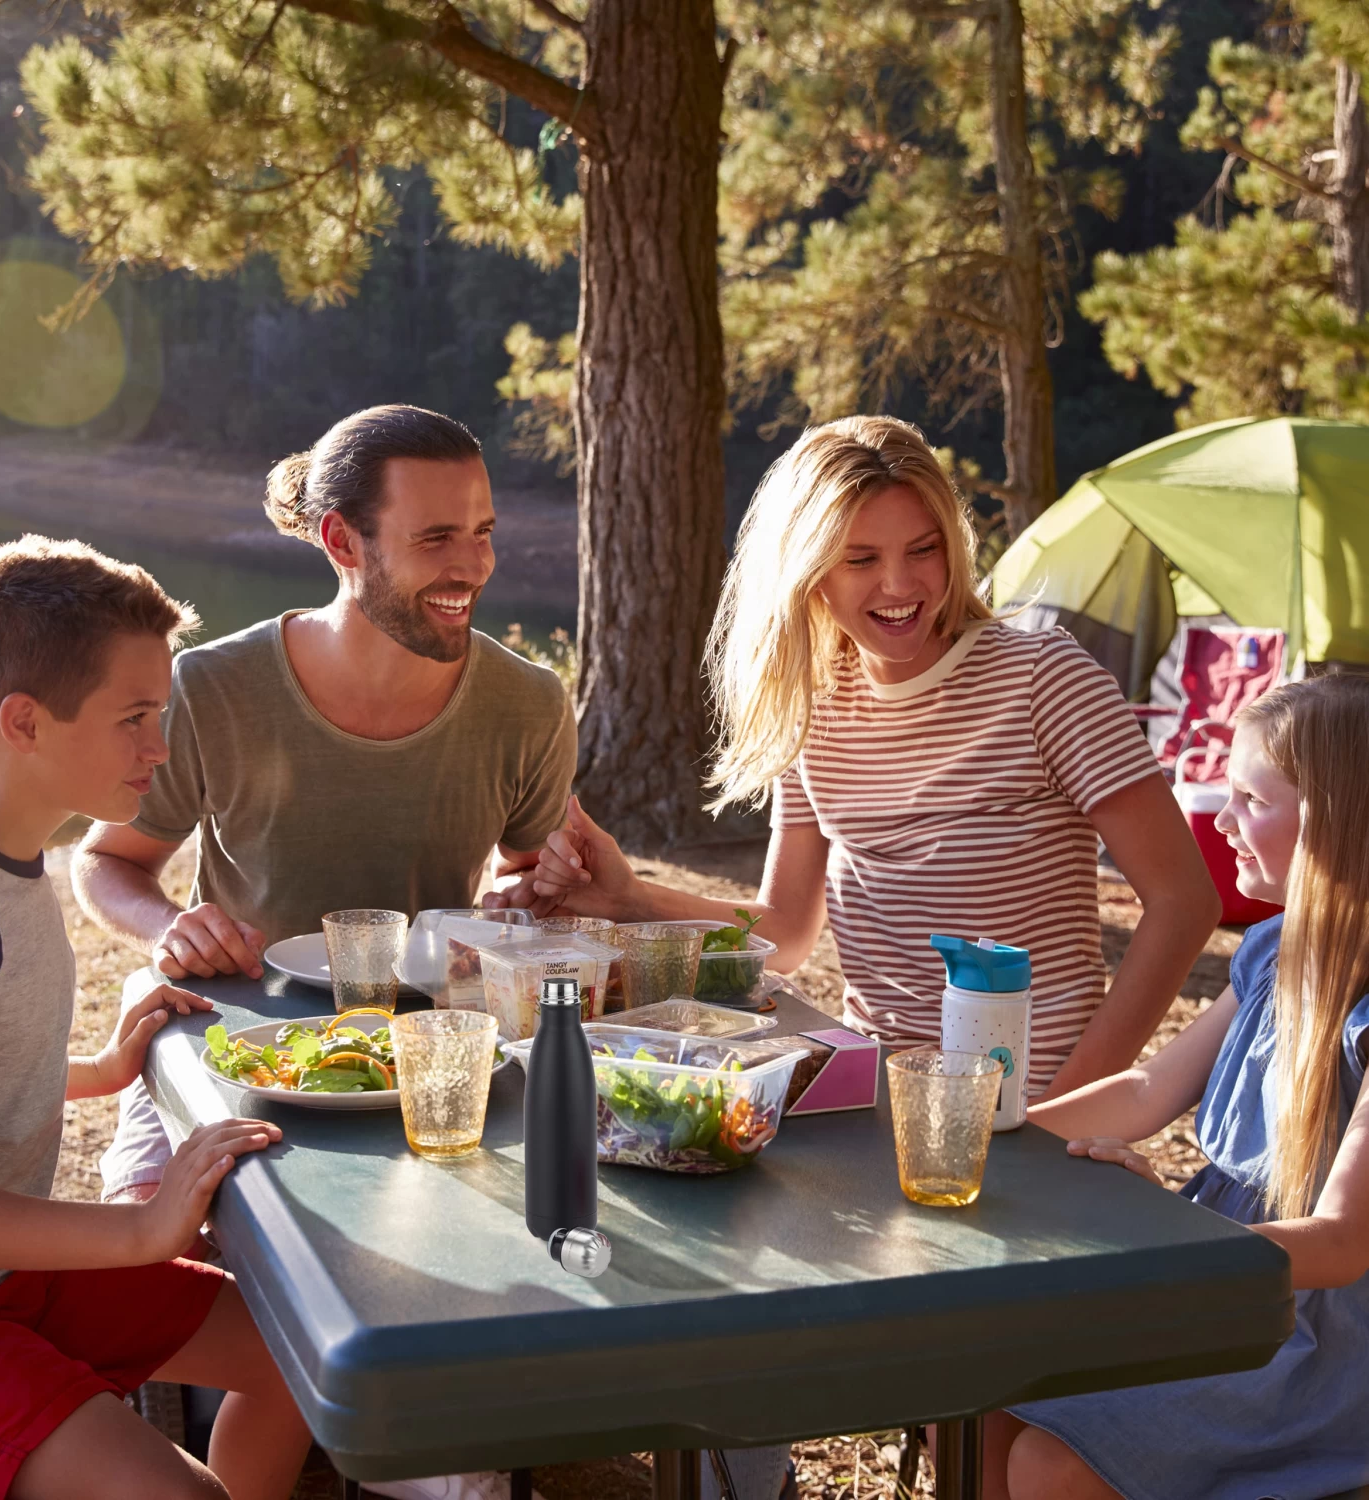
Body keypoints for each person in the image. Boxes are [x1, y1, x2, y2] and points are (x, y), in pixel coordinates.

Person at [523, 415, 1219, 1100]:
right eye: (861, 559)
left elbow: (1185, 903)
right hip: (874, 1104)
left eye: (924, 549)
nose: (900, 585)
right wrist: (630, 898)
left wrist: (1064, 1113)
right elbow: (788, 932)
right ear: (809, 572)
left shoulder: (1043, 679)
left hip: (1029, 1107)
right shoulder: (814, 700)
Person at [0, 536, 310, 1500]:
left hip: (5, 1280)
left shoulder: (9, 860)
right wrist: (143, 1228)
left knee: (300, 1358)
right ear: (23, 720)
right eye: (136, 717)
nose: (160, 747)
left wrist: (100, 1069)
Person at [74, 404, 576, 1205]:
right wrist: (169, 926)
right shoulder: (209, 686)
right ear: (342, 542)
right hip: (228, 1042)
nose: (475, 566)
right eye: (436, 538)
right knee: (145, 1243)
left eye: (483, 532)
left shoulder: (530, 702)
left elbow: (525, 875)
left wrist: (529, 898)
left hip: (427, 1056)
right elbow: (107, 861)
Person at [999, 675, 1369, 1500]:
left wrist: (1165, 1242)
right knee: (985, 1376)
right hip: (1222, 1280)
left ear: (1338, 818)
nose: (1224, 821)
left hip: (1312, 1337)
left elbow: (1342, 1244)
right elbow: (1144, 1091)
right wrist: (991, 1134)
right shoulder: (1273, 950)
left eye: (1248, 798)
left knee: (1046, 1462)